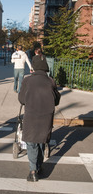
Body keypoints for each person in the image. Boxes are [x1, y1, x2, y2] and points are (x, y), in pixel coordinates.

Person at [18, 48, 60, 182]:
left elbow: (22, 100)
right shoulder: (51, 81)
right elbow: (57, 100)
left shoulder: (27, 80)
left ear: (34, 67)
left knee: (31, 143)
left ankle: (33, 171)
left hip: (31, 116)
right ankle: (39, 166)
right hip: (46, 116)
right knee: (42, 141)